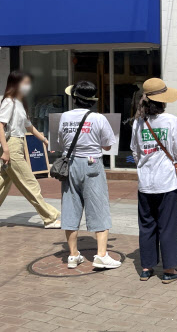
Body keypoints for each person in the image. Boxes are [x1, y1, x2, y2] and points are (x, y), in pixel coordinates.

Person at [58, 81, 121, 269]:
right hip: (92, 164)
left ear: (75, 98)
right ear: (92, 100)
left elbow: (61, 141)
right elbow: (108, 145)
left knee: (70, 207)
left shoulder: (65, 117)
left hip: (69, 165)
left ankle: (72, 255)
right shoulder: (99, 118)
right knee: (98, 207)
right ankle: (101, 254)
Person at [131, 78, 177, 284]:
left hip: (145, 182)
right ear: (163, 101)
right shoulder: (171, 121)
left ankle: (146, 267)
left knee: (147, 225)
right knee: (167, 225)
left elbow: (135, 152)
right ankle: (169, 269)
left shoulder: (138, 122)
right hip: (167, 181)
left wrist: (145, 164)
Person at [0, 70, 61, 229]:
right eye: (25, 83)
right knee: (29, 183)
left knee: (2, 184)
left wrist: (45, 141)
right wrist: (6, 149)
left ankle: (49, 216)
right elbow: (0, 125)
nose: (28, 87)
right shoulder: (9, 102)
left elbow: (29, 127)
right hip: (12, 145)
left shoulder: (19, 103)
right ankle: (49, 217)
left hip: (17, 144)